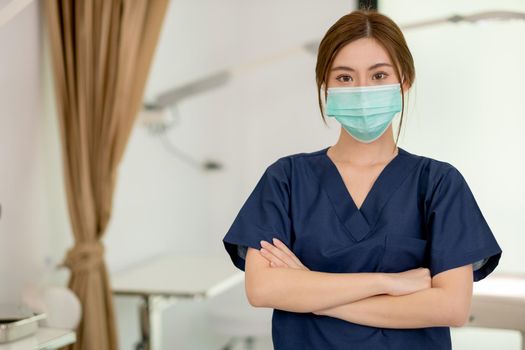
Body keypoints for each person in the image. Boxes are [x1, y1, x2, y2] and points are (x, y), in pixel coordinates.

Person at [222, 8, 502, 350]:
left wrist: (307, 288)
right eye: (344, 78)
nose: (362, 90)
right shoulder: (286, 179)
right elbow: (262, 289)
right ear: (325, 85)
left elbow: (451, 307)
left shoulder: (438, 184)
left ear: (405, 82)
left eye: (379, 75)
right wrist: (388, 282)